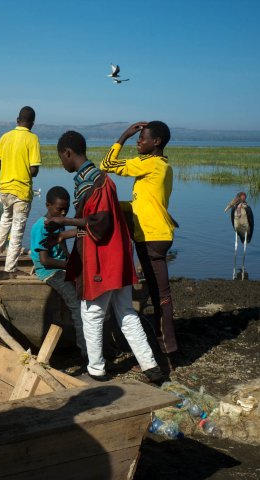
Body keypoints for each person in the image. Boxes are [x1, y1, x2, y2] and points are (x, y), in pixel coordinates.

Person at [46, 130, 163, 383]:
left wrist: (64, 219)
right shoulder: (99, 179)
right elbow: (96, 221)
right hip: (118, 257)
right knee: (126, 313)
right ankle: (152, 367)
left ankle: (96, 371)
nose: (61, 163)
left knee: (92, 313)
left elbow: (99, 223)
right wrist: (65, 232)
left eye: (61, 158)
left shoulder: (93, 183)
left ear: (67, 153)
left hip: (103, 259)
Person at [100, 121, 180, 371]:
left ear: (156, 142)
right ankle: (161, 353)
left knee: (162, 298)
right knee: (159, 297)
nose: (138, 141)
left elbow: (107, 166)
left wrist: (123, 135)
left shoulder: (151, 164)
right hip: (155, 234)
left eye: (141, 138)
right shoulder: (162, 165)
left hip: (153, 238)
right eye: (137, 137)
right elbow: (144, 203)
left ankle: (166, 357)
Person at [30, 186, 86, 358]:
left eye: (65, 209)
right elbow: (45, 260)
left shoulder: (58, 223)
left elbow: (63, 245)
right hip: (50, 271)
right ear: (47, 205)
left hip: (61, 266)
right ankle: (86, 353)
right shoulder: (42, 227)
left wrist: (71, 260)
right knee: (77, 305)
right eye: (58, 209)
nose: (62, 213)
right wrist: (69, 266)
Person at [0, 106, 41, 279]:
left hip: (4, 188)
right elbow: (34, 170)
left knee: (6, 217)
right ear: (32, 123)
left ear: (17, 120)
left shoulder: (5, 137)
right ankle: (10, 268)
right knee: (18, 228)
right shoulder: (32, 139)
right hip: (21, 190)